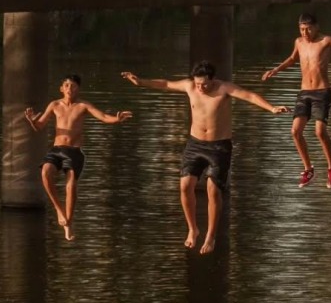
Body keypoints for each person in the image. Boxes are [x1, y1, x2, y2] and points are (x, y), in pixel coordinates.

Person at [121, 62, 289, 255]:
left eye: (205, 84)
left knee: (213, 191)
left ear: (213, 79)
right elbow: (165, 84)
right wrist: (141, 82)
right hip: (195, 145)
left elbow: (249, 95)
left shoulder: (224, 88)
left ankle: (210, 236)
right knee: (184, 185)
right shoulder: (190, 86)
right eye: (198, 84)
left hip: (219, 147)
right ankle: (193, 228)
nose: (201, 88)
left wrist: (271, 108)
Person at [261, 13, 331, 189]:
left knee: (319, 131)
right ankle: (308, 169)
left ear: (317, 27)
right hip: (304, 92)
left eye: (308, 28)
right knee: (295, 131)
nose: (305, 32)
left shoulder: (325, 41)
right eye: (302, 29)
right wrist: (276, 70)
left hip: (322, 92)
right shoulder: (299, 42)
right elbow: (292, 59)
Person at [25, 74, 132, 241]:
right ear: (61, 88)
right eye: (66, 85)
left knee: (71, 185)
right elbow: (39, 126)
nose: (69, 89)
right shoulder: (54, 105)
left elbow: (103, 117)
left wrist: (117, 119)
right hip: (56, 150)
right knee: (45, 173)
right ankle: (59, 210)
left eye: (73, 86)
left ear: (78, 89)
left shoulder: (83, 105)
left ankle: (69, 222)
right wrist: (32, 121)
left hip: (74, 151)